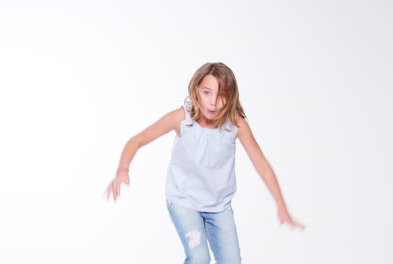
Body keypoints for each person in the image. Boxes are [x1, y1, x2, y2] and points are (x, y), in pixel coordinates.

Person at [104, 62, 306, 263]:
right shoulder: (182, 118)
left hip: (219, 205)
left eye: (221, 95)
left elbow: (261, 164)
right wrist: (123, 169)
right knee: (199, 257)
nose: (213, 102)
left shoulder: (236, 124)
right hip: (185, 200)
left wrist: (281, 204)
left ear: (231, 97)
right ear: (196, 91)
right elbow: (137, 140)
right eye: (207, 92)